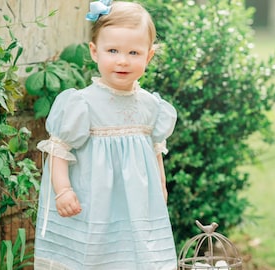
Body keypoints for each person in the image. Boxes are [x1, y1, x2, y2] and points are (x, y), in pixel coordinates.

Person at [34, 1, 177, 269]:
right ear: (94, 51)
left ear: (149, 56)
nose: (122, 60)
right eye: (112, 50)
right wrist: (63, 190)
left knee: (136, 256)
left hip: (136, 207)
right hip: (91, 202)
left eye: (134, 52)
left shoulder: (151, 106)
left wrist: (160, 187)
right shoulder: (83, 103)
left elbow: (154, 151)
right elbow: (59, 149)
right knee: (94, 256)